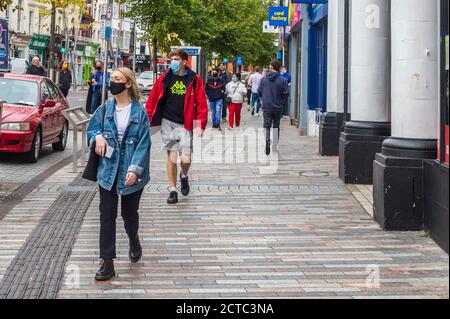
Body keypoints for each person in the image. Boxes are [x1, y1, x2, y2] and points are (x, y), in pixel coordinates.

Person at [86, 67, 151, 281]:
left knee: (129, 215)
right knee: (106, 216)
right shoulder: (104, 109)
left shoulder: (139, 112)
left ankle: (133, 238)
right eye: (111, 78)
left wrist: (135, 169)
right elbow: (92, 129)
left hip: (131, 171)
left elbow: (144, 143)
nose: (112, 82)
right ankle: (107, 262)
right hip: (108, 172)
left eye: (117, 79)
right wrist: (98, 138)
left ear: (128, 83)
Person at [145, 49, 208, 205]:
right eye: (171, 58)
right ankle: (172, 189)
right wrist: (147, 117)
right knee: (172, 155)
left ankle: (184, 176)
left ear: (184, 62)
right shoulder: (165, 77)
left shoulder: (194, 79)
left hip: (185, 123)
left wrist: (201, 123)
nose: (172, 61)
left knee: (185, 158)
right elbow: (153, 97)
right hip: (168, 121)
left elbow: (201, 102)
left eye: (176, 59)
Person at [257, 60, 289, 155]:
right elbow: (286, 93)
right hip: (278, 106)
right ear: (279, 68)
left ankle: (267, 139)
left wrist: (264, 98)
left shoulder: (264, 79)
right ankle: (275, 145)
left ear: (271, 67)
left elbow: (259, 91)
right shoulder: (283, 80)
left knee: (266, 125)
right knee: (276, 125)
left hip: (267, 106)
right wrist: (282, 102)